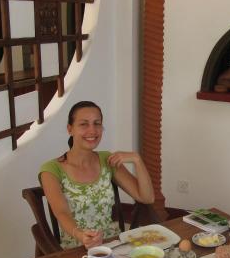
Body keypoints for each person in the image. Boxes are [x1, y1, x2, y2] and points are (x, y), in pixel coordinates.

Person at [39, 101, 154, 249]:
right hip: (77, 247)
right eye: (84, 124)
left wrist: (137, 160)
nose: (92, 131)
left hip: (112, 244)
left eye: (97, 123)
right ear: (70, 129)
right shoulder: (51, 169)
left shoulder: (107, 160)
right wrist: (82, 236)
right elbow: (61, 212)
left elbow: (147, 197)